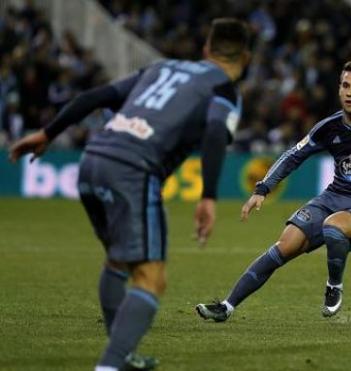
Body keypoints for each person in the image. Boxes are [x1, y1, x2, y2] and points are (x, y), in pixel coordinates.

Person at [9, 18, 252, 370]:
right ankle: (108, 366)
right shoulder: (225, 90)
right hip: (133, 171)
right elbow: (215, 132)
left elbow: (94, 96)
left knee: (117, 261)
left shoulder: (161, 67)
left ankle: (120, 355)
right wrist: (209, 197)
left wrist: (48, 133)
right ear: (245, 58)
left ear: (205, 49)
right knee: (151, 278)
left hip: (92, 160)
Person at [196, 60, 351, 321]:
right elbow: (293, 155)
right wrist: (262, 188)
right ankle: (227, 306)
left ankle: (334, 286)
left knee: (333, 227)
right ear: (339, 90)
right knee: (284, 245)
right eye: (345, 86)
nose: (350, 92)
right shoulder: (328, 127)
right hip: (330, 198)